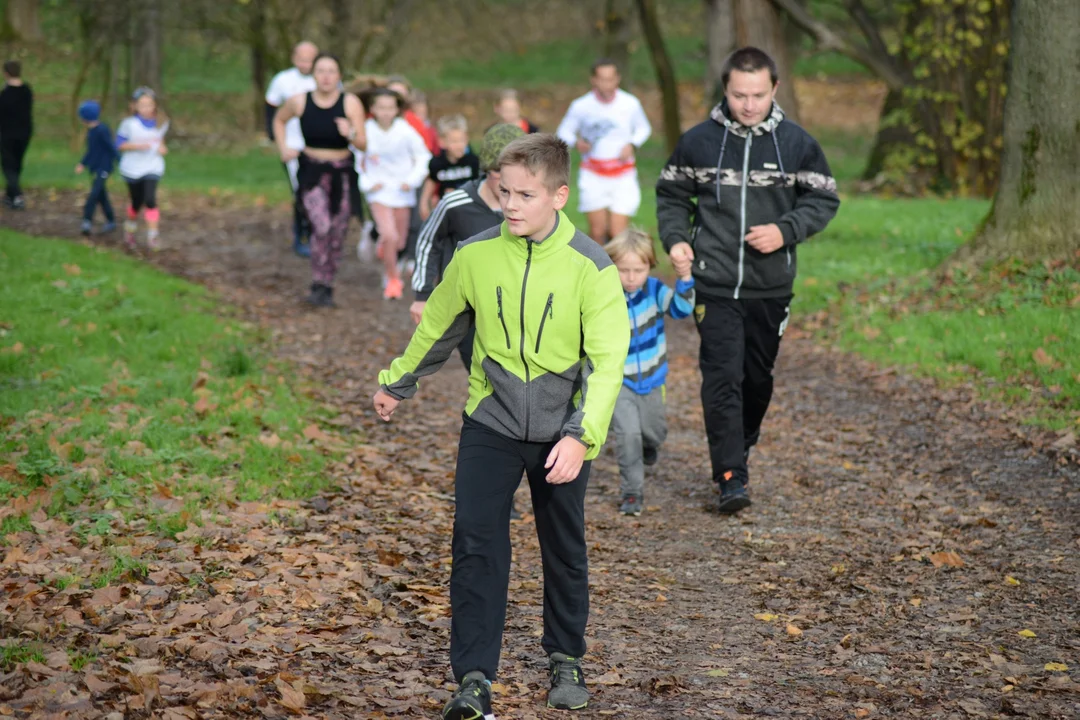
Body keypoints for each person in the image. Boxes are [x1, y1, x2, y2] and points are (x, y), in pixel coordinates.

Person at [373, 134, 629, 717]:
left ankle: (566, 657)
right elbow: (438, 328)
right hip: (490, 420)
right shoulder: (476, 254)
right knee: (477, 542)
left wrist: (580, 434)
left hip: (562, 429)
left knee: (562, 546)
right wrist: (396, 382)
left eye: (526, 194)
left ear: (559, 195)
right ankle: (473, 679)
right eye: (503, 191)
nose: (510, 204)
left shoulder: (592, 266)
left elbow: (607, 363)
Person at [656, 46, 840, 514]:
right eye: (740, 95)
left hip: (770, 284)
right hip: (712, 282)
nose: (749, 104)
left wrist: (785, 230)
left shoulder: (798, 144)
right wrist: (677, 239)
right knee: (721, 377)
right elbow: (672, 194)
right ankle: (730, 475)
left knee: (756, 379)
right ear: (726, 90)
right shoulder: (698, 141)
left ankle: (741, 437)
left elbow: (823, 201)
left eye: (758, 94)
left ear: (774, 89)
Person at [604, 228, 695, 516]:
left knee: (654, 431)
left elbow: (681, 310)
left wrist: (684, 279)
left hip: (653, 378)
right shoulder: (604, 296)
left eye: (638, 270)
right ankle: (632, 493)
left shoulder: (654, 290)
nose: (631, 277)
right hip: (620, 381)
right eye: (624, 270)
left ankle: (650, 445)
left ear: (649, 266)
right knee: (628, 434)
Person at [274, 53, 367, 308]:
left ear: (338, 76)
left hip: (343, 173)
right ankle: (317, 281)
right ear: (313, 75)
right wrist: (284, 148)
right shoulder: (299, 102)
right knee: (321, 226)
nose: (326, 76)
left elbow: (363, 143)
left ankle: (327, 284)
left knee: (338, 231)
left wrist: (350, 133)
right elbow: (279, 120)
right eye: (321, 71)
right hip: (312, 172)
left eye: (331, 71)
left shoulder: (350, 103)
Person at [556, 58, 651, 243]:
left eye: (611, 79)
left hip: (623, 175)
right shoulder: (581, 106)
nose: (607, 84)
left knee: (617, 234)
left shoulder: (630, 104)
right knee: (597, 233)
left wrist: (632, 144)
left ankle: (618, 270)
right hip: (594, 175)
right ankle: (597, 269)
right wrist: (577, 142)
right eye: (602, 79)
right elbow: (564, 131)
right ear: (593, 80)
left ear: (618, 79)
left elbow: (643, 128)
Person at [358, 88, 431, 300]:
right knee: (389, 235)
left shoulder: (405, 130)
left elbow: (423, 156)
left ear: (397, 110)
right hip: (379, 193)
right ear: (373, 109)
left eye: (390, 108)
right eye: (381, 107)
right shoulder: (366, 130)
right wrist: (368, 182)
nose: (386, 112)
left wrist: (412, 180)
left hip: (402, 192)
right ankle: (392, 278)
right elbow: (358, 159)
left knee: (398, 241)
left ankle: (380, 242)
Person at [265, 41, 319, 257]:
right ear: (294, 58)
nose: (306, 63)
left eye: (310, 59)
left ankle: (320, 234)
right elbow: (270, 107)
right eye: (302, 59)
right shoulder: (283, 80)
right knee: (301, 191)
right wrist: (276, 139)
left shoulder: (325, 79)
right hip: (293, 145)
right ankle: (302, 235)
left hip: (320, 146)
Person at [116, 87, 168, 251]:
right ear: (134, 106)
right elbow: (119, 145)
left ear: (155, 105)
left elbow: (159, 141)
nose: (146, 108)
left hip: (152, 165)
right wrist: (138, 146)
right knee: (137, 201)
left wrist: (162, 148)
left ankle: (153, 236)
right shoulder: (128, 124)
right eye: (142, 105)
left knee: (150, 199)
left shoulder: (161, 122)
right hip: (132, 168)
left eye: (149, 104)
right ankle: (130, 227)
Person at [418, 114, 480, 221]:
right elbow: (431, 181)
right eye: (454, 141)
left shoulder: (472, 162)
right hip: (446, 210)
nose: (459, 145)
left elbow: (480, 185)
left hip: (469, 208)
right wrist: (423, 204)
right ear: (442, 142)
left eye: (462, 140)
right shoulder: (437, 163)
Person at [74, 100, 118, 236]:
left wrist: (120, 160)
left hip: (104, 168)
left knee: (93, 195)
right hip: (95, 168)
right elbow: (91, 151)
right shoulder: (91, 132)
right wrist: (83, 163)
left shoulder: (102, 130)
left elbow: (111, 147)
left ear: (85, 117)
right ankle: (111, 220)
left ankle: (87, 221)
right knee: (101, 195)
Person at [0, 60, 33, 210]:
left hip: (7, 134)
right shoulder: (27, 91)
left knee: (8, 165)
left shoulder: (5, 94)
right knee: (17, 164)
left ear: (6, 73)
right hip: (25, 133)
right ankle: (9, 196)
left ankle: (17, 196)